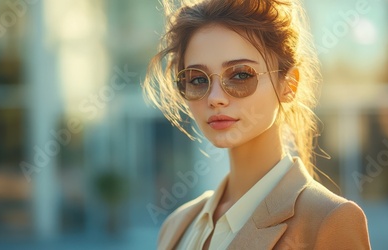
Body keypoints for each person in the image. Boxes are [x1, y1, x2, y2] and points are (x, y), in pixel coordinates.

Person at [143, 0, 371, 249]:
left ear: (289, 85)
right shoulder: (176, 226)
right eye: (197, 79)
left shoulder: (327, 220)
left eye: (241, 74)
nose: (215, 98)